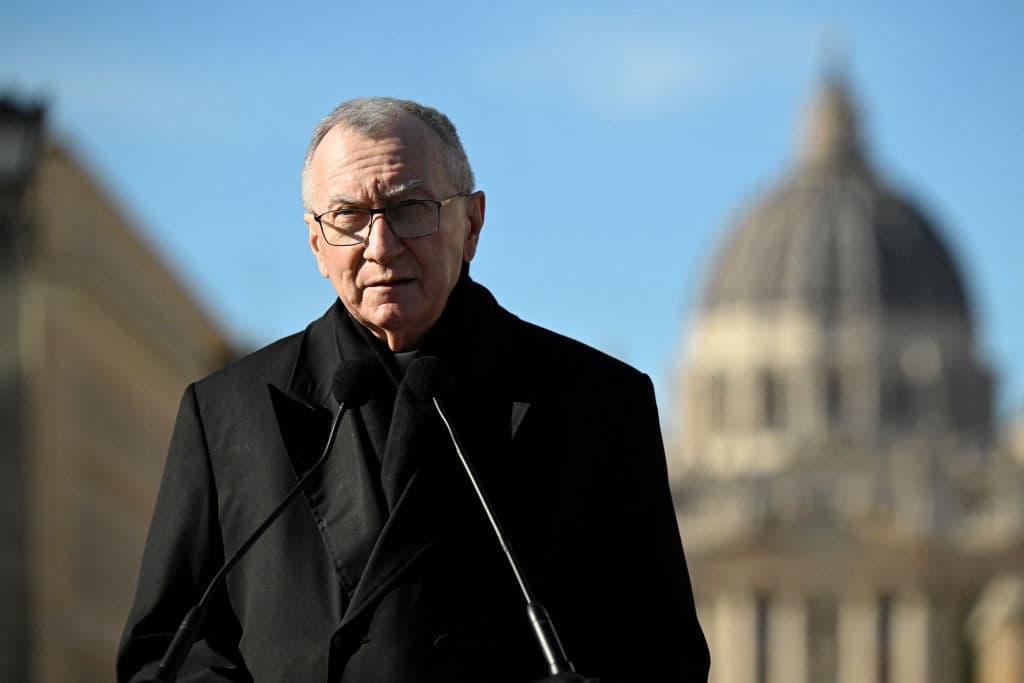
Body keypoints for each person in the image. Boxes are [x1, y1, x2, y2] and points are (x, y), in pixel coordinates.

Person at [117, 98, 709, 682]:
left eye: (409, 208)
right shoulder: (226, 413)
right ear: (316, 243)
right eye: (348, 216)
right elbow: (165, 654)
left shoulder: (599, 403)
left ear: (472, 223)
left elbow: (663, 657)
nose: (380, 245)